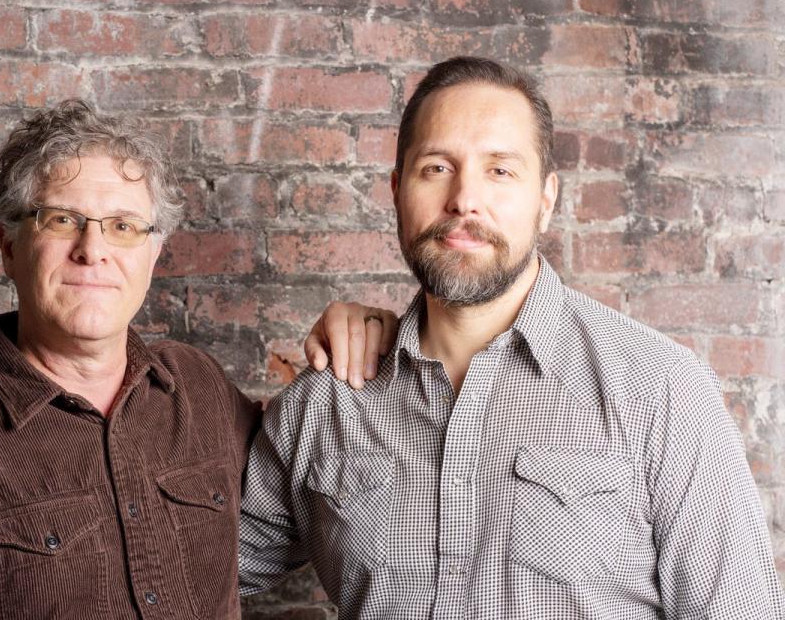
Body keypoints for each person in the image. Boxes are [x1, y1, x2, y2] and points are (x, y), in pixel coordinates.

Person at [238, 56, 785, 619]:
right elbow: (188, 569)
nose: (464, 200)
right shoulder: (328, 401)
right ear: (398, 190)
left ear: (546, 198)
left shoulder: (661, 391)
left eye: (500, 170)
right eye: (436, 168)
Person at [0, 100, 394, 619]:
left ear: (153, 252)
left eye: (123, 227)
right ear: (7, 242)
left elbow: (312, 494)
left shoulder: (198, 389)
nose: (92, 250)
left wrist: (363, 328)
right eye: (61, 219)